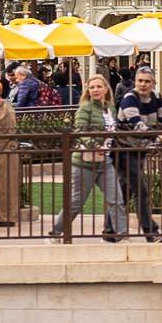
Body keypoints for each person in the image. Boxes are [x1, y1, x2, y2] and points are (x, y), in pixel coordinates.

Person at [56, 72, 126, 242]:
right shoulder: (85, 108)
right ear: (88, 90)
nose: (95, 90)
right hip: (84, 162)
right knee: (76, 202)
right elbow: (79, 130)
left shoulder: (110, 108)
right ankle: (56, 232)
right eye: (92, 87)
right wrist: (94, 145)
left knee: (116, 199)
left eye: (99, 87)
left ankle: (121, 234)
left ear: (105, 89)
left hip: (106, 161)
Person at [116, 64, 162, 242]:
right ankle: (151, 232)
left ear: (153, 83)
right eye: (140, 81)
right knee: (141, 191)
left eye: (147, 81)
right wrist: (159, 135)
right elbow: (137, 126)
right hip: (123, 150)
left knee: (124, 191)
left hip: (140, 150)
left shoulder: (156, 97)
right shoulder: (129, 98)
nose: (143, 84)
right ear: (135, 81)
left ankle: (111, 230)